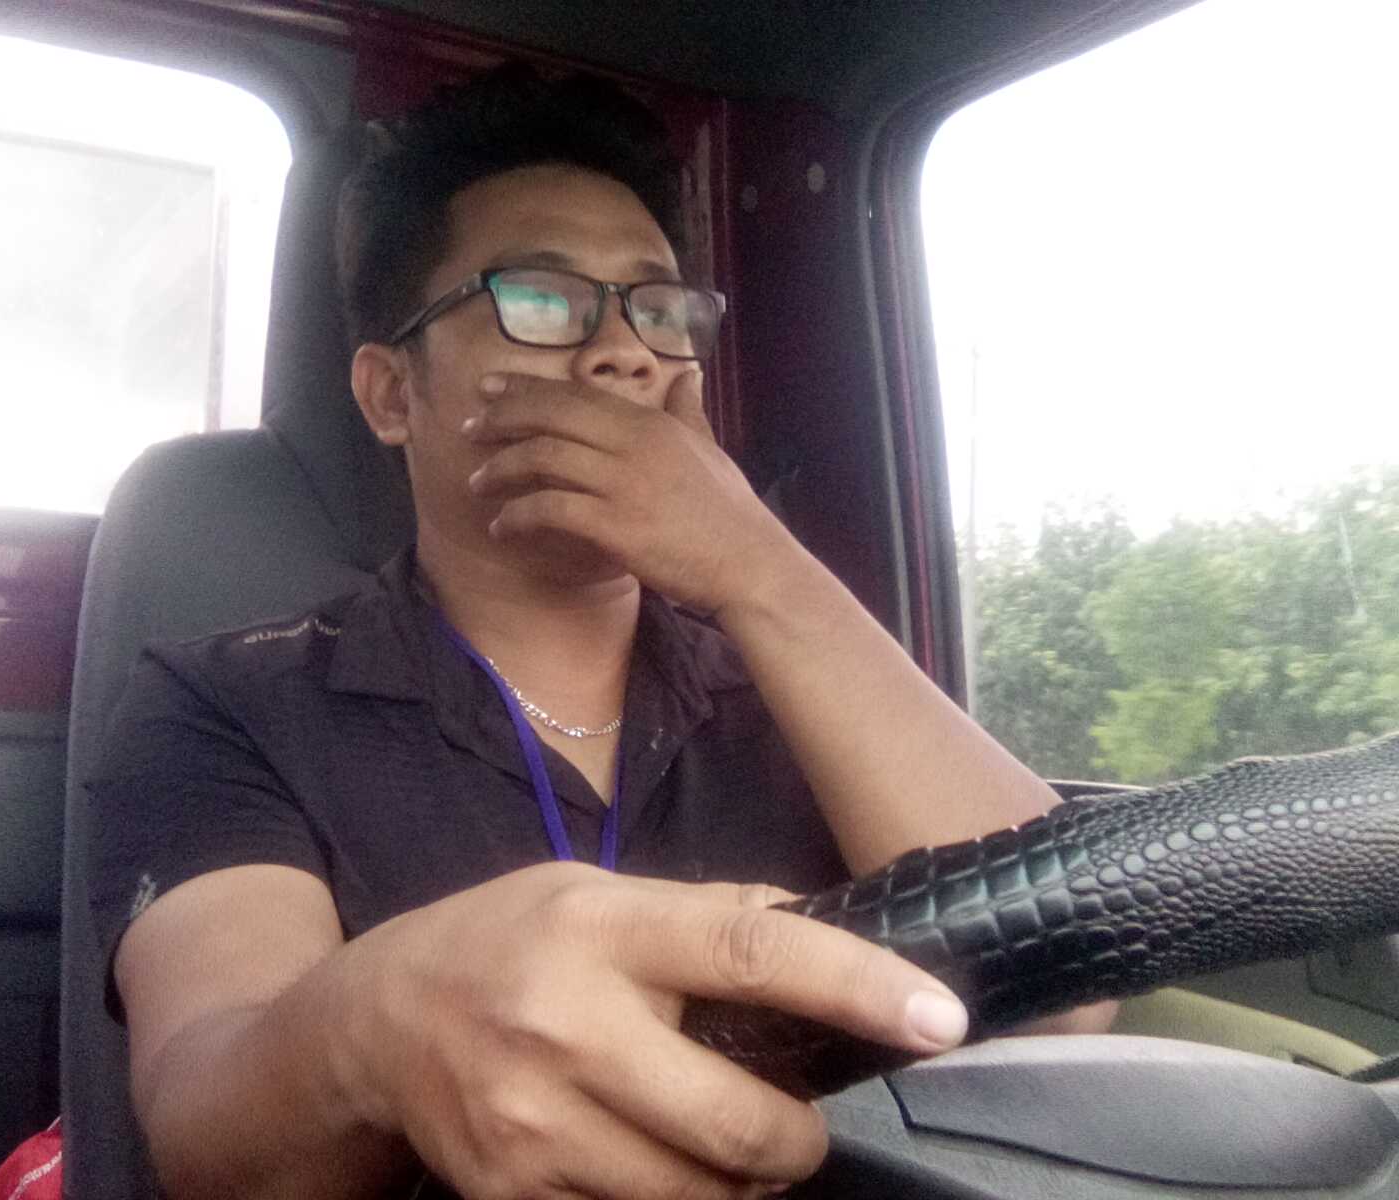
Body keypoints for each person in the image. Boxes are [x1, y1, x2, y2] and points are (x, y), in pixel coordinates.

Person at [88, 65, 1113, 1200]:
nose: (625, 351)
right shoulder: (228, 701)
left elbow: (1069, 994)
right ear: (390, 395)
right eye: (541, 299)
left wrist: (758, 565)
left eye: (658, 309)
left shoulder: (798, 678)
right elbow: (207, 1123)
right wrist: (379, 1024)